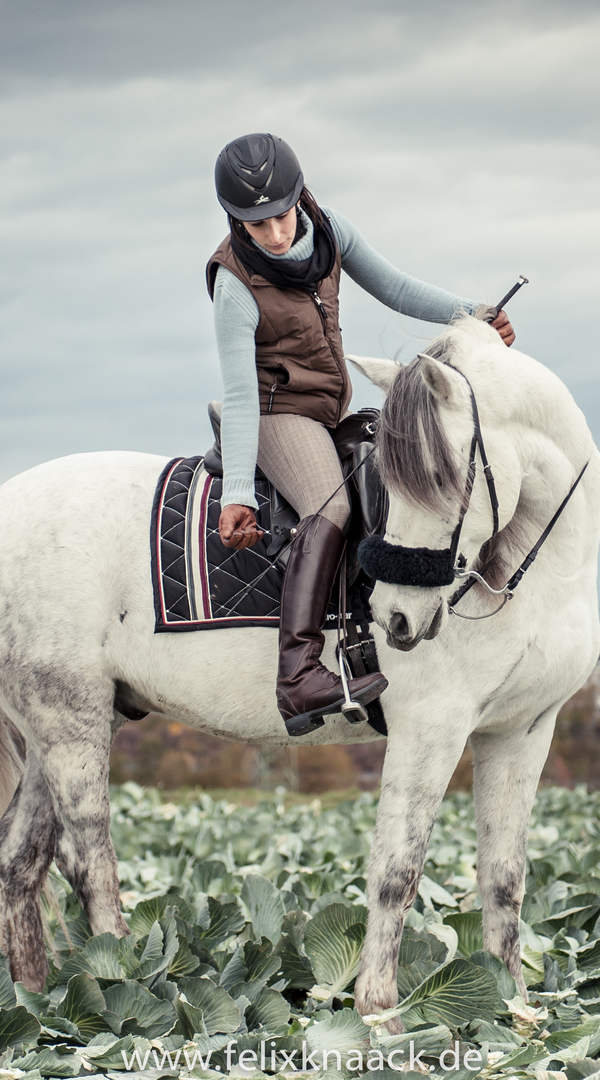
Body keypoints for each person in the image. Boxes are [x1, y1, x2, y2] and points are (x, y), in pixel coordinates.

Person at [207, 133, 516, 735]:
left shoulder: (330, 231)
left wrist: (472, 314)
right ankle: (298, 672)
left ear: (300, 198)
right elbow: (242, 395)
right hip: (276, 414)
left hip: (329, 408)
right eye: (256, 224)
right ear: (235, 220)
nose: (273, 233)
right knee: (333, 504)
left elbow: (397, 288)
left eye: (280, 216)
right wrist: (237, 492)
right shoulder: (233, 283)